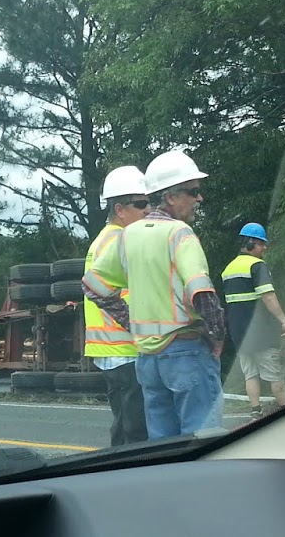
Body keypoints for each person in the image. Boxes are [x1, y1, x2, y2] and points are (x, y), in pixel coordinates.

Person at [82, 149, 227, 439]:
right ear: (171, 196)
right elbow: (201, 292)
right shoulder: (179, 233)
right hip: (185, 349)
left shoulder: (128, 235)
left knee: (161, 442)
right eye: (193, 191)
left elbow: (92, 286)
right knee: (201, 439)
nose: (199, 198)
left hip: (148, 359)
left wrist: (131, 321)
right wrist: (218, 336)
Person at [83, 165, 151, 446]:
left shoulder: (104, 238)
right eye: (141, 203)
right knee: (135, 428)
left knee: (125, 422)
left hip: (112, 348)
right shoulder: (120, 239)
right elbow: (120, 296)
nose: (148, 210)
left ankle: (118, 472)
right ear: (120, 209)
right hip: (125, 347)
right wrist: (144, 329)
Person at [221, 223, 285, 417]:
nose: (264, 248)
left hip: (239, 333)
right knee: (274, 373)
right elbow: (268, 296)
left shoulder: (228, 269)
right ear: (251, 243)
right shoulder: (256, 265)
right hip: (261, 332)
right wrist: (283, 320)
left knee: (250, 373)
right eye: (261, 244)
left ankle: (255, 410)